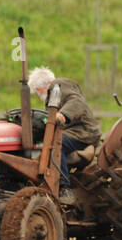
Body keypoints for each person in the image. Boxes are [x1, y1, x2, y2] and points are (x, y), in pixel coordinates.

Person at [27, 67, 102, 201]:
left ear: (42, 87)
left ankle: (64, 188)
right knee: (50, 142)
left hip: (83, 131)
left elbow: (76, 101)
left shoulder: (59, 85)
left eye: (38, 93)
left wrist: (64, 114)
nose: (39, 97)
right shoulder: (54, 95)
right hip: (72, 131)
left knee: (57, 144)